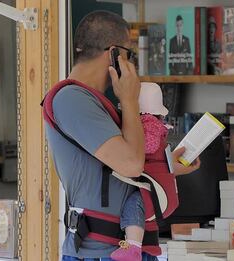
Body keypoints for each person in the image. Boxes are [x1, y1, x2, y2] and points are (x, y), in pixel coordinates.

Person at [44, 11, 200, 261]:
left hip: (130, 249)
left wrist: (167, 167)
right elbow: (130, 164)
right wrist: (129, 99)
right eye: (131, 55)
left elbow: (122, 170)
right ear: (114, 54)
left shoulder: (97, 103)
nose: (133, 65)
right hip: (101, 252)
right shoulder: (71, 99)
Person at [111, 82, 172, 261]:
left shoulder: (148, 124)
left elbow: (149, 146)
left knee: (134, 205)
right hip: (152, 181)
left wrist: (125, 143)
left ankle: (133, 247)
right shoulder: (152, 123)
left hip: (149, 183)